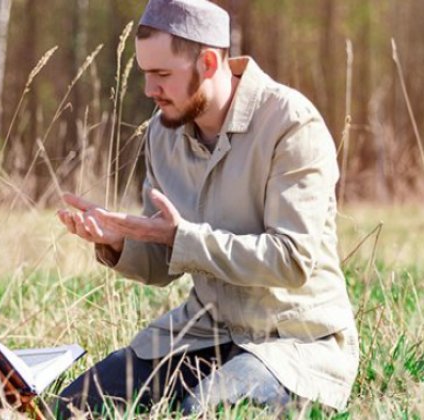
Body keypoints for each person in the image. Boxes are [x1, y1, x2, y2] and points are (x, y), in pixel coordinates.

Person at [55, 0, 358, 416]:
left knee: (203, 409)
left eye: (163, 74)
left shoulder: (290, 124)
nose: (149, 89)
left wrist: (182, 238)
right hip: (206, 331)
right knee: (74, 404)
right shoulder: (162, 134)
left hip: (296, 339)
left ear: (210, 63)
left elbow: (292, 260)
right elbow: (165, 262)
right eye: (145, 73)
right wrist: (119, 242)